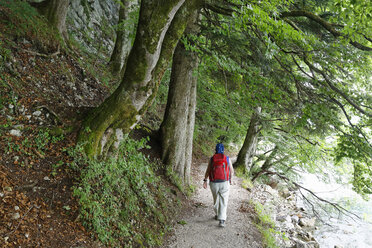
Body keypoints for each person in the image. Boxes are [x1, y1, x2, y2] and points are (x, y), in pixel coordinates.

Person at [203, 143, 234, 227]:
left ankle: (217, 214)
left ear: (215, 150)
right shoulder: (227, 158)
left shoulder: (212, 159)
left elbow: (208, 171)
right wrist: (230, 180)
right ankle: (222, 220)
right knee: (224, 200)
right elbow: (231, 171)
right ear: (223, 150)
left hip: (213, 183)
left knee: (216, 199)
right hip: (224, 182)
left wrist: (205, 180)